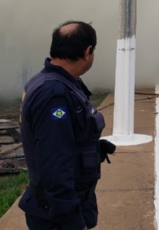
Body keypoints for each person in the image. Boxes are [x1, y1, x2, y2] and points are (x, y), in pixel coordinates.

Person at [19, 20, 114, 230]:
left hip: (72, 203)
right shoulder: (54, 94)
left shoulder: (60, 82)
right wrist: (71, 220)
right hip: (58, 215)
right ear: (88, 52)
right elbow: (54, 163)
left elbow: (63, 140)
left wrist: (93, 149)